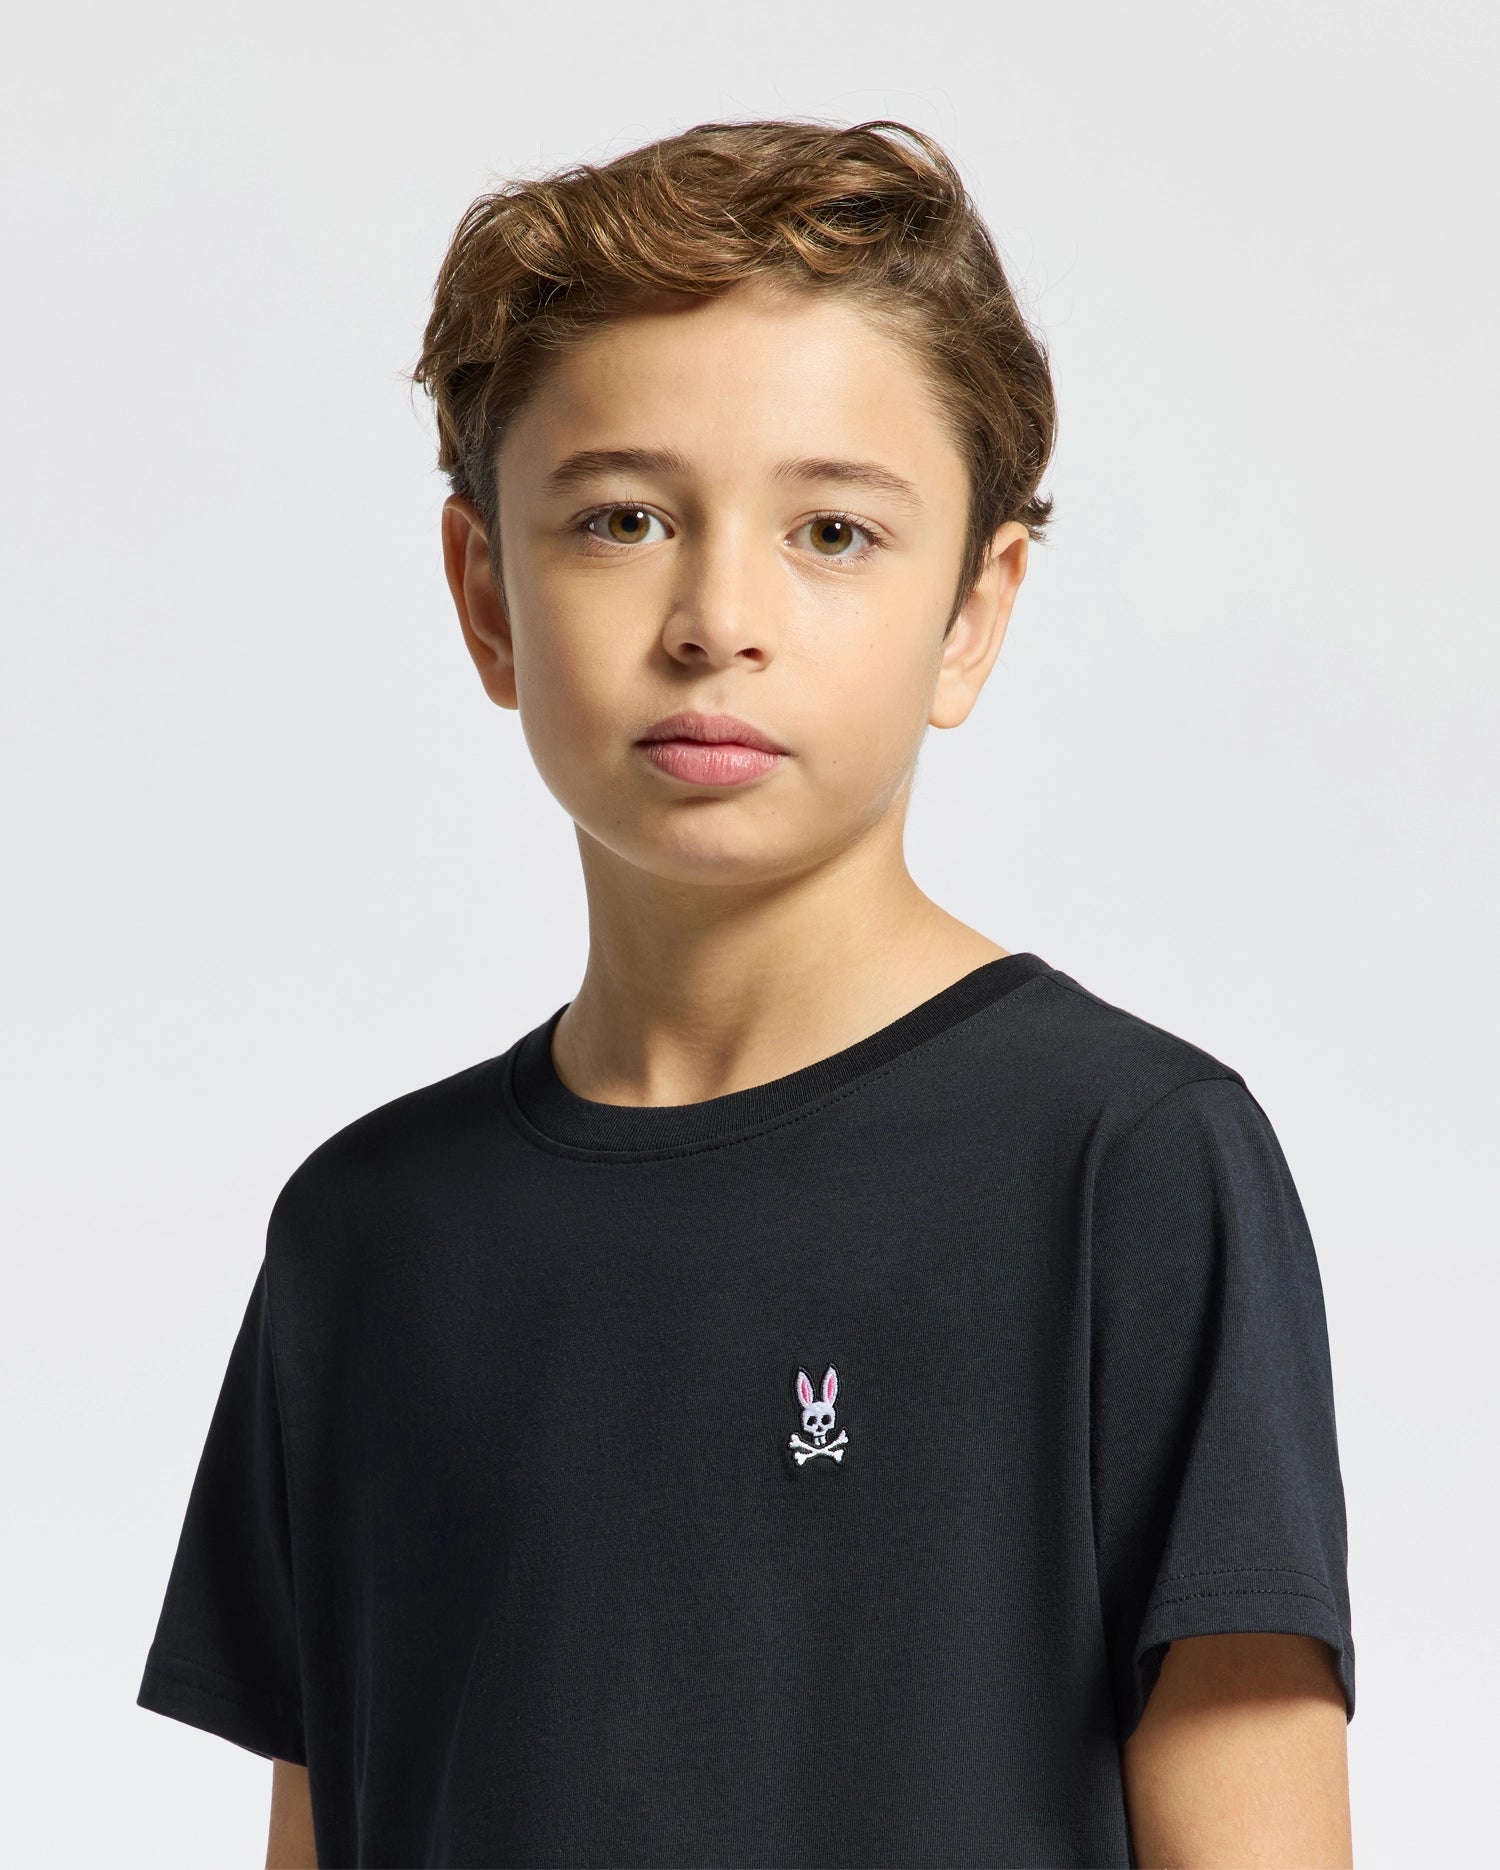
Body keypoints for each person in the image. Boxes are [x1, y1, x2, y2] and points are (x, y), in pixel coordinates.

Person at [135, 118, 1356, 1869]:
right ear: (486, 594)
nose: (717, 616)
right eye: (622, 518)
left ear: (974, 611)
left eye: (833, 531)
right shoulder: (364, 1236)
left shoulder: (1129, 1167)